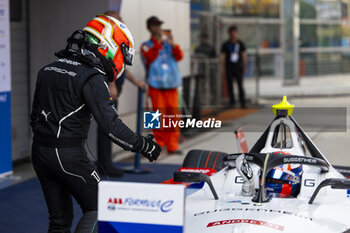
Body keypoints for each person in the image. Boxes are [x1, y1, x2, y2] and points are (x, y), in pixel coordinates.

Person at [30, 14, 161, 233]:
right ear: (109, 45)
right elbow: (110, 126)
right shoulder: (92, 77)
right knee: (102, 208)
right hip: (68, 155)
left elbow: (34, 118)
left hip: (40, 152)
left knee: (59, 222)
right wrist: (144, 145)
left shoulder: (48, 69)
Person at [96, 11, 147, 178]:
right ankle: (105, 165)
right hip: (107, 89)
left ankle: (105, 163)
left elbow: (122, 67)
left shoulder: (116, 38)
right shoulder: (104, 40)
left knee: (107, 126)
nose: (122, 21)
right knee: (107, 126)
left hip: (113, 87)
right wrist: (111, 85)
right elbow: (105, 63)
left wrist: (135, 82)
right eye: (118, 19)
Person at [141, 16, 184, 155]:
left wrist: (172, 44)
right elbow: (150, 58)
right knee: (155, 117)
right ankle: (157, 144)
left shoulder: (169, 44)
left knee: (172, 117)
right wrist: (159, 43)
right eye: (155, 25)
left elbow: (179, 56)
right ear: (149, 28)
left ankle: (172, 145)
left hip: (171, 86)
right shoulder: (146, 45)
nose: (158, 28)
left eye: (159, 25)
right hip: (155, 86)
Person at [220, 25, 247, 108]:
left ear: (236, 33)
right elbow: (222, 57)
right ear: (229, 34)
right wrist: (223, 67)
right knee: (230, 85)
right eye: (231, 33)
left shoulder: (240, 44)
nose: (233, 34)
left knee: (240, 84)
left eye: (234, 33)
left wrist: (245, 66)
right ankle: (232, 102)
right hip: (229, 67)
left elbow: (244, 55)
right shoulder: (226, 44)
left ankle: (242, 102)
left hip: (238, 67)